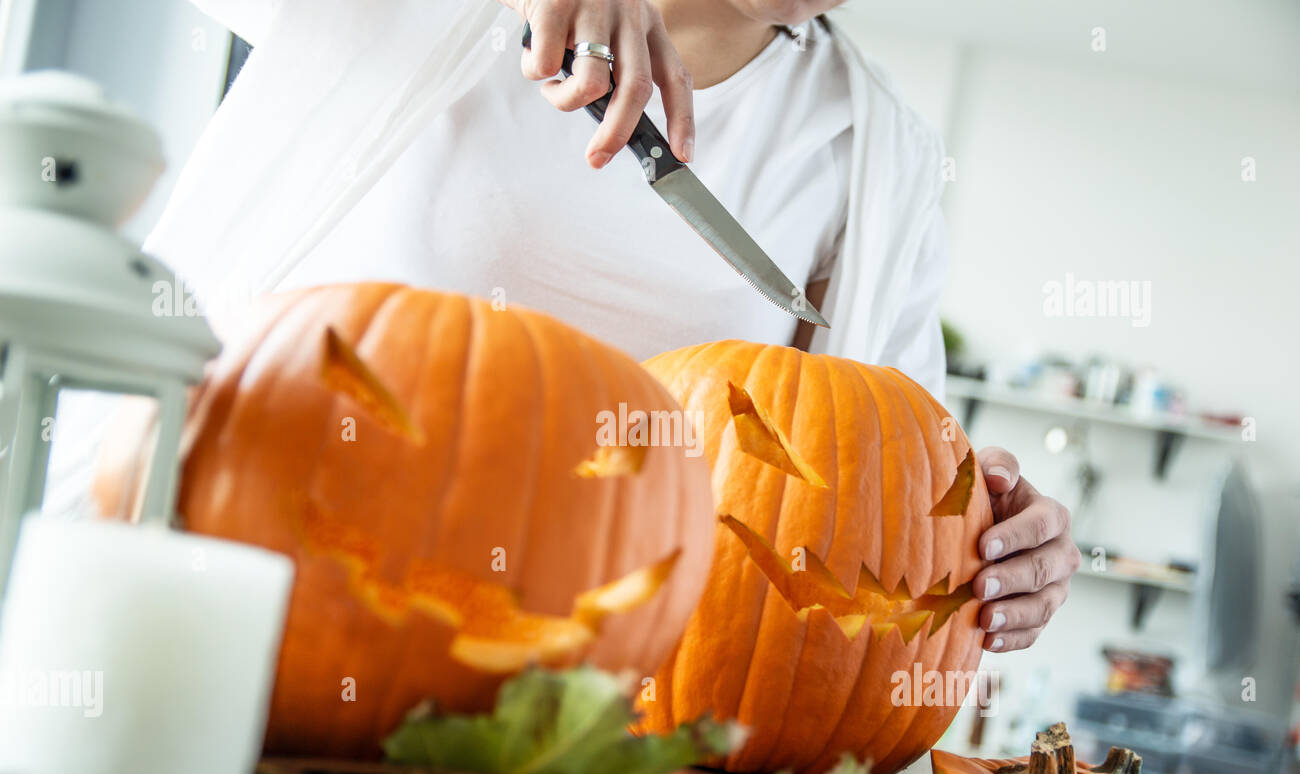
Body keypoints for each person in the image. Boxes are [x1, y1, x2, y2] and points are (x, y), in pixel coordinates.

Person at [150, 0, 1081, 652]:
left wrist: (985, 538)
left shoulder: (877, 157)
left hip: (583, 691)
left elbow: (881, 470)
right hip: (277, 582)